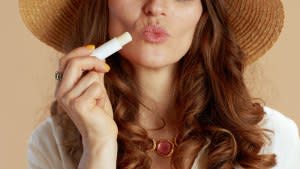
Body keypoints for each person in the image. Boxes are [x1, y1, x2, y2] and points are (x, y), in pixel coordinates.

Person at [19, 0, 300, 169]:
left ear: (204, 13)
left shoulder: (272, 138)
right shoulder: (51, 143)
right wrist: (99, 145)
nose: (155, 6)